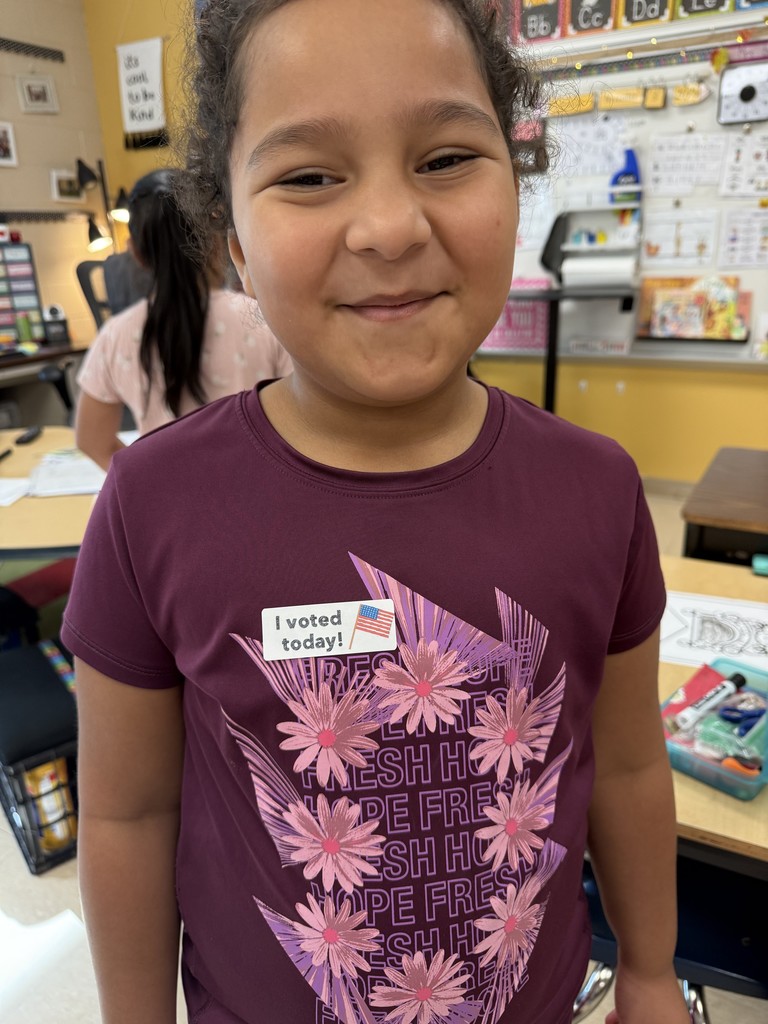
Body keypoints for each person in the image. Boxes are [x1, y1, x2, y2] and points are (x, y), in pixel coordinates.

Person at [62, 2, 691, 1023]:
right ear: (230, 241)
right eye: (309, 175)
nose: (392, 226)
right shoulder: (153, 504)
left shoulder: (598, 489)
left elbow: (623, 761)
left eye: (446, 158)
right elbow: (130, 814)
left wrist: (654, 972)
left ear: (515, 181)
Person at [74, 168, 292, 469]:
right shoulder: (264, 319)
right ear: (217, 243)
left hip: (163, 506)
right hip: (258, 499)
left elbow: (92, 441)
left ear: (136, 253)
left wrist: (147, 485)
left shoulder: (115, 335)